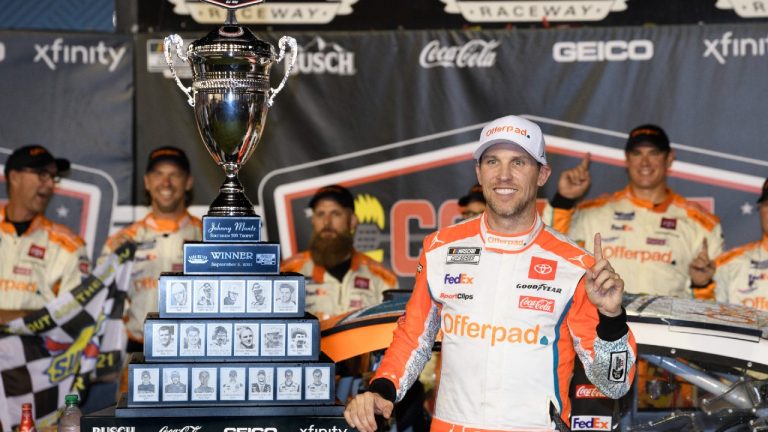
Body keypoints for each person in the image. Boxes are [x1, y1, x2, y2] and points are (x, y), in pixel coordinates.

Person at [344, 115, 636, 432]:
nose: (504, 175)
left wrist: (611, 318)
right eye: (493, 161)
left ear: (542, 174)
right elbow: (413, 337)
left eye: (519, 162)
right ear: (479, 172)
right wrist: (381, 389)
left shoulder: (576, 265)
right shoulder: (440, 248)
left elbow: (614, 385)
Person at [543, 125, 723, 299]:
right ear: (627, 159)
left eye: (654, 153)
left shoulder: (702, 224)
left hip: (667, 328)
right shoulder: (594, 213)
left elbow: (716, 300)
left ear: (669, 158)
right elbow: (549, 251)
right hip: (603, 324)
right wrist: (564, 199)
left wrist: (701, 285)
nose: (645, 162)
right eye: (637, 153)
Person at [98, 146, 202, 351]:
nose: (166, 183)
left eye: (175, 175)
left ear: (188, 182)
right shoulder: (122, 241)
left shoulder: (209, 237)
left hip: (194, 349)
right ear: (147, 182)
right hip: (136, 348)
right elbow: (100, 301)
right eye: (159, 174)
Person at [281, 184, 398, 320]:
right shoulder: (288, 272)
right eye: (320, 214)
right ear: (313, 221)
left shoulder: (382, 278)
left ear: (353, 221)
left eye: (335, 213)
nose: (327, 222)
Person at [0, 145, 89, 319]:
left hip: (34, 344)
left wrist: (13, 318)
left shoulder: (69, 245)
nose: (49, 184)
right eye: (42, 174)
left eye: (53, 177)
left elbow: (75, 315)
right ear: (14, 177)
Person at [714, 178, 768, 310]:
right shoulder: (729, 263)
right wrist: (701, 285)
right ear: (760, 208)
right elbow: (707, 315)